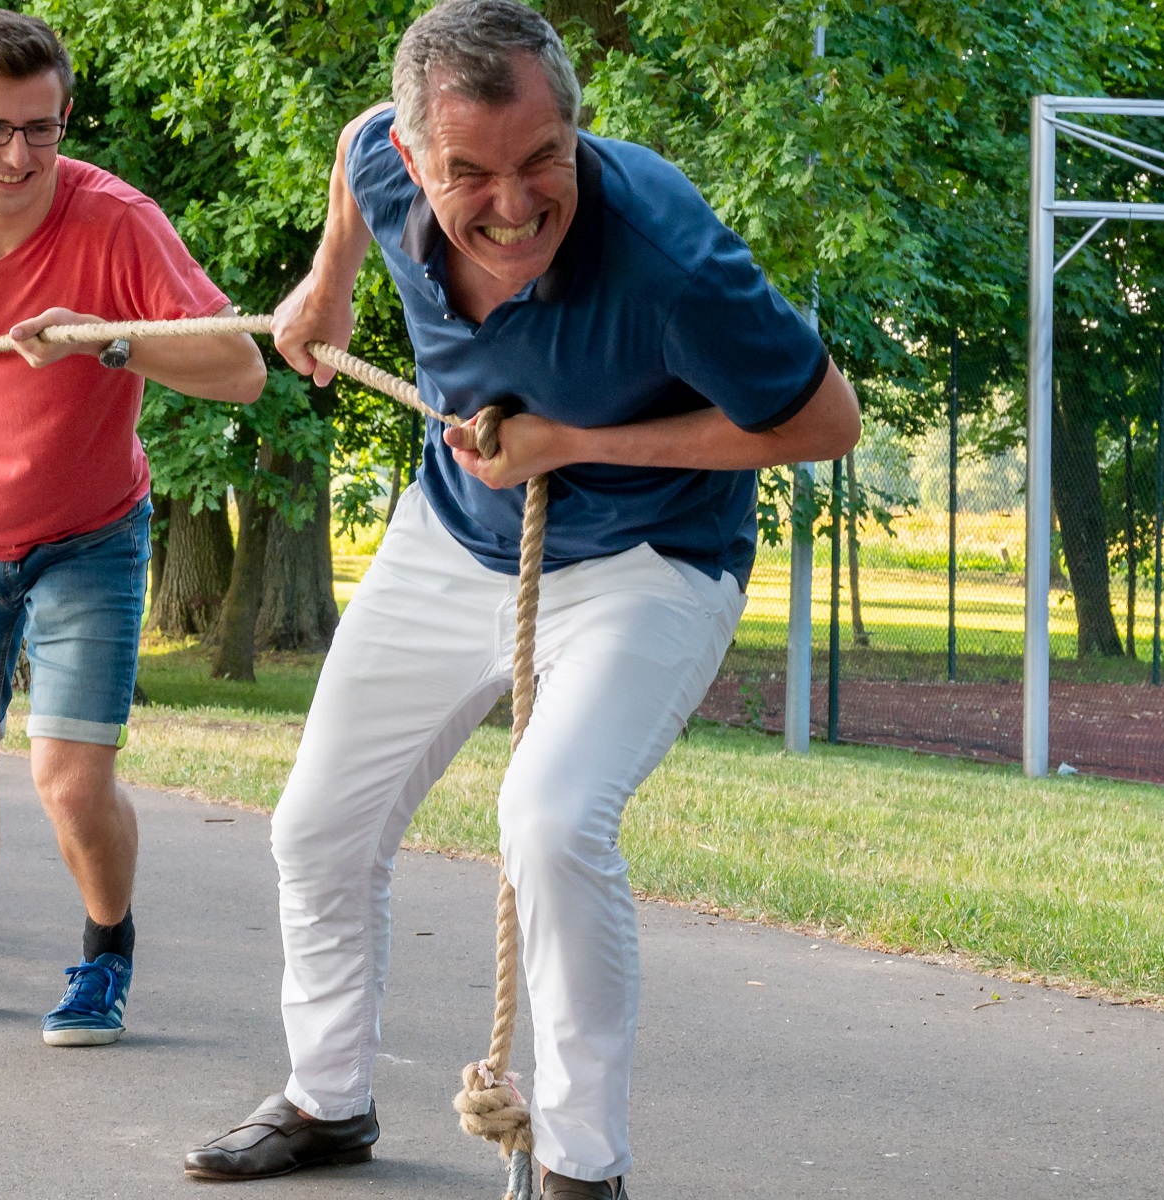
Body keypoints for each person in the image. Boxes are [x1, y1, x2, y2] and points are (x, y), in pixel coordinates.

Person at [179, 3, 861, 1192]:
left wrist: (574, 443)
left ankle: (579, 1166)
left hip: (648, 563)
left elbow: (821, 424)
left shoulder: (670, 258)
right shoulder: (381, 168)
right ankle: (327, 1101)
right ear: (415, 156)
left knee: (549, 825)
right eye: (468, 173)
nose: (512, 202)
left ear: (577, 133)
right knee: (315, 829)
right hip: (452, 536)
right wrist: (325, 285)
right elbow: (352, 146)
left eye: (543, 159)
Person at [0, 7, 265, 1047]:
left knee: (68, 777)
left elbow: (242, 372)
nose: (19, 155)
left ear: (64, 117)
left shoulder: (120, 223)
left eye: (42, 129)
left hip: (87, 536)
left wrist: (110, 344)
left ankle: (105, 957)